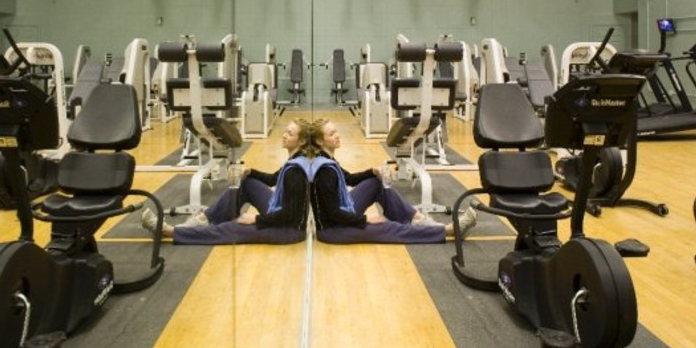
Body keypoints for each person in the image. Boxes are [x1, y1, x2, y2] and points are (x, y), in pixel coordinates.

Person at [141, 118, 311, 245]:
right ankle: (203, 220)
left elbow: (290, 215)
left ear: (302, 141)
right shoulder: (296, 159)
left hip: (289, 230)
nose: (284, 135)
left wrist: (256, 219)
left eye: (290, 133)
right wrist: (250, 171)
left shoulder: (296, 172)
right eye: (286, 131)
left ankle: (171, 232)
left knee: (234, 227)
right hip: (281, 212)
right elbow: (274, 179)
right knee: (246, 182)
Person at [308, 118, 476, 244]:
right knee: (386, 228)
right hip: (333, 229)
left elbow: (349, 179)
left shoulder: (327, 160)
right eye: (331, 134)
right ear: (319, 141)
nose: (337, 136)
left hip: (342, 213)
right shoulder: (324, 172)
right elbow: (333, 214)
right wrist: (365, 220)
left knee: (376, 182)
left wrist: (372, 171)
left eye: (336, 131)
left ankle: (416, 219)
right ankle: (447, 231)